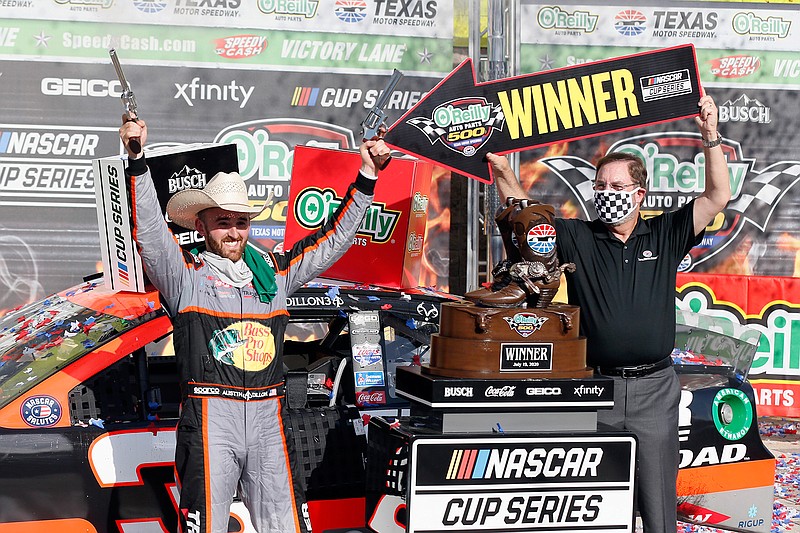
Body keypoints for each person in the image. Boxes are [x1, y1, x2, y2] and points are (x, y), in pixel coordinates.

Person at [119, 115, 391, 533]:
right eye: (222, 221)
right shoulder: (185, 276)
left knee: (284, 526)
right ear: (201, 224)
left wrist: (367, 175)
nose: (233, 231)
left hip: (268, 415)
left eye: (240, 221)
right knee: (206, 525)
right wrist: (137, 160)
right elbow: (152, 236)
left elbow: (333, 241)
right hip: (212, 414)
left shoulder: (275, 272)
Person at [486, 94, 730, 533]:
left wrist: (709, 134)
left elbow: (717, 195)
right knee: (591, 513)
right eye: (600, 187)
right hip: (592, 390)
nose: (607, 196)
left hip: (654, 390)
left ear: (641, 194)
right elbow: (528, 219)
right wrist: (504, 172)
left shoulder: (666, 232)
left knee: (658, 511)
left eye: (617, 188)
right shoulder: (577, 236)